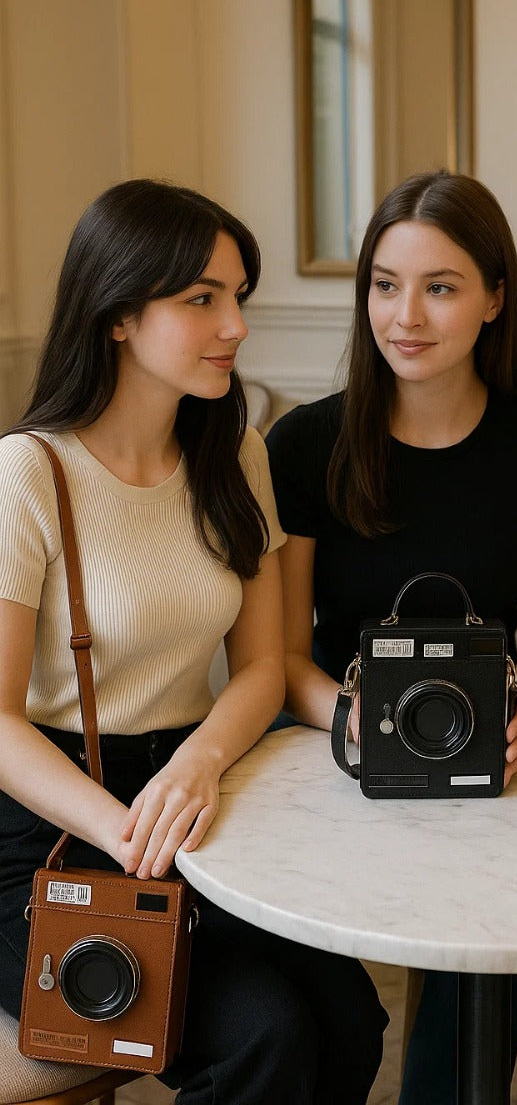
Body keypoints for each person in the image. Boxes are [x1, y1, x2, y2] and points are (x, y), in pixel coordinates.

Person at [0, 179, 387, 1105]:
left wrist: (201, 763)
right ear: (119, 315)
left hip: (189, 800)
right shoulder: (29, 473)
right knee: (264, 1036)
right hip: (50, 833)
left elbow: (260, 666)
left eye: (238, 297)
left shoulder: (233, 456)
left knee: (351, 1019)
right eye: (202, 299)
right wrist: (124, 828)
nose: (236, 325)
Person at [265, 169, 517, 1105]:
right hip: (333, 753)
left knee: (487, 941)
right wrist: (356, 721)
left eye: (440, 287)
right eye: (384, 283)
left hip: (482, 747)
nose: (404, 315)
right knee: (321, 1010)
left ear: (494, 299)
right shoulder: (304, 445)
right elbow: (286, 661)